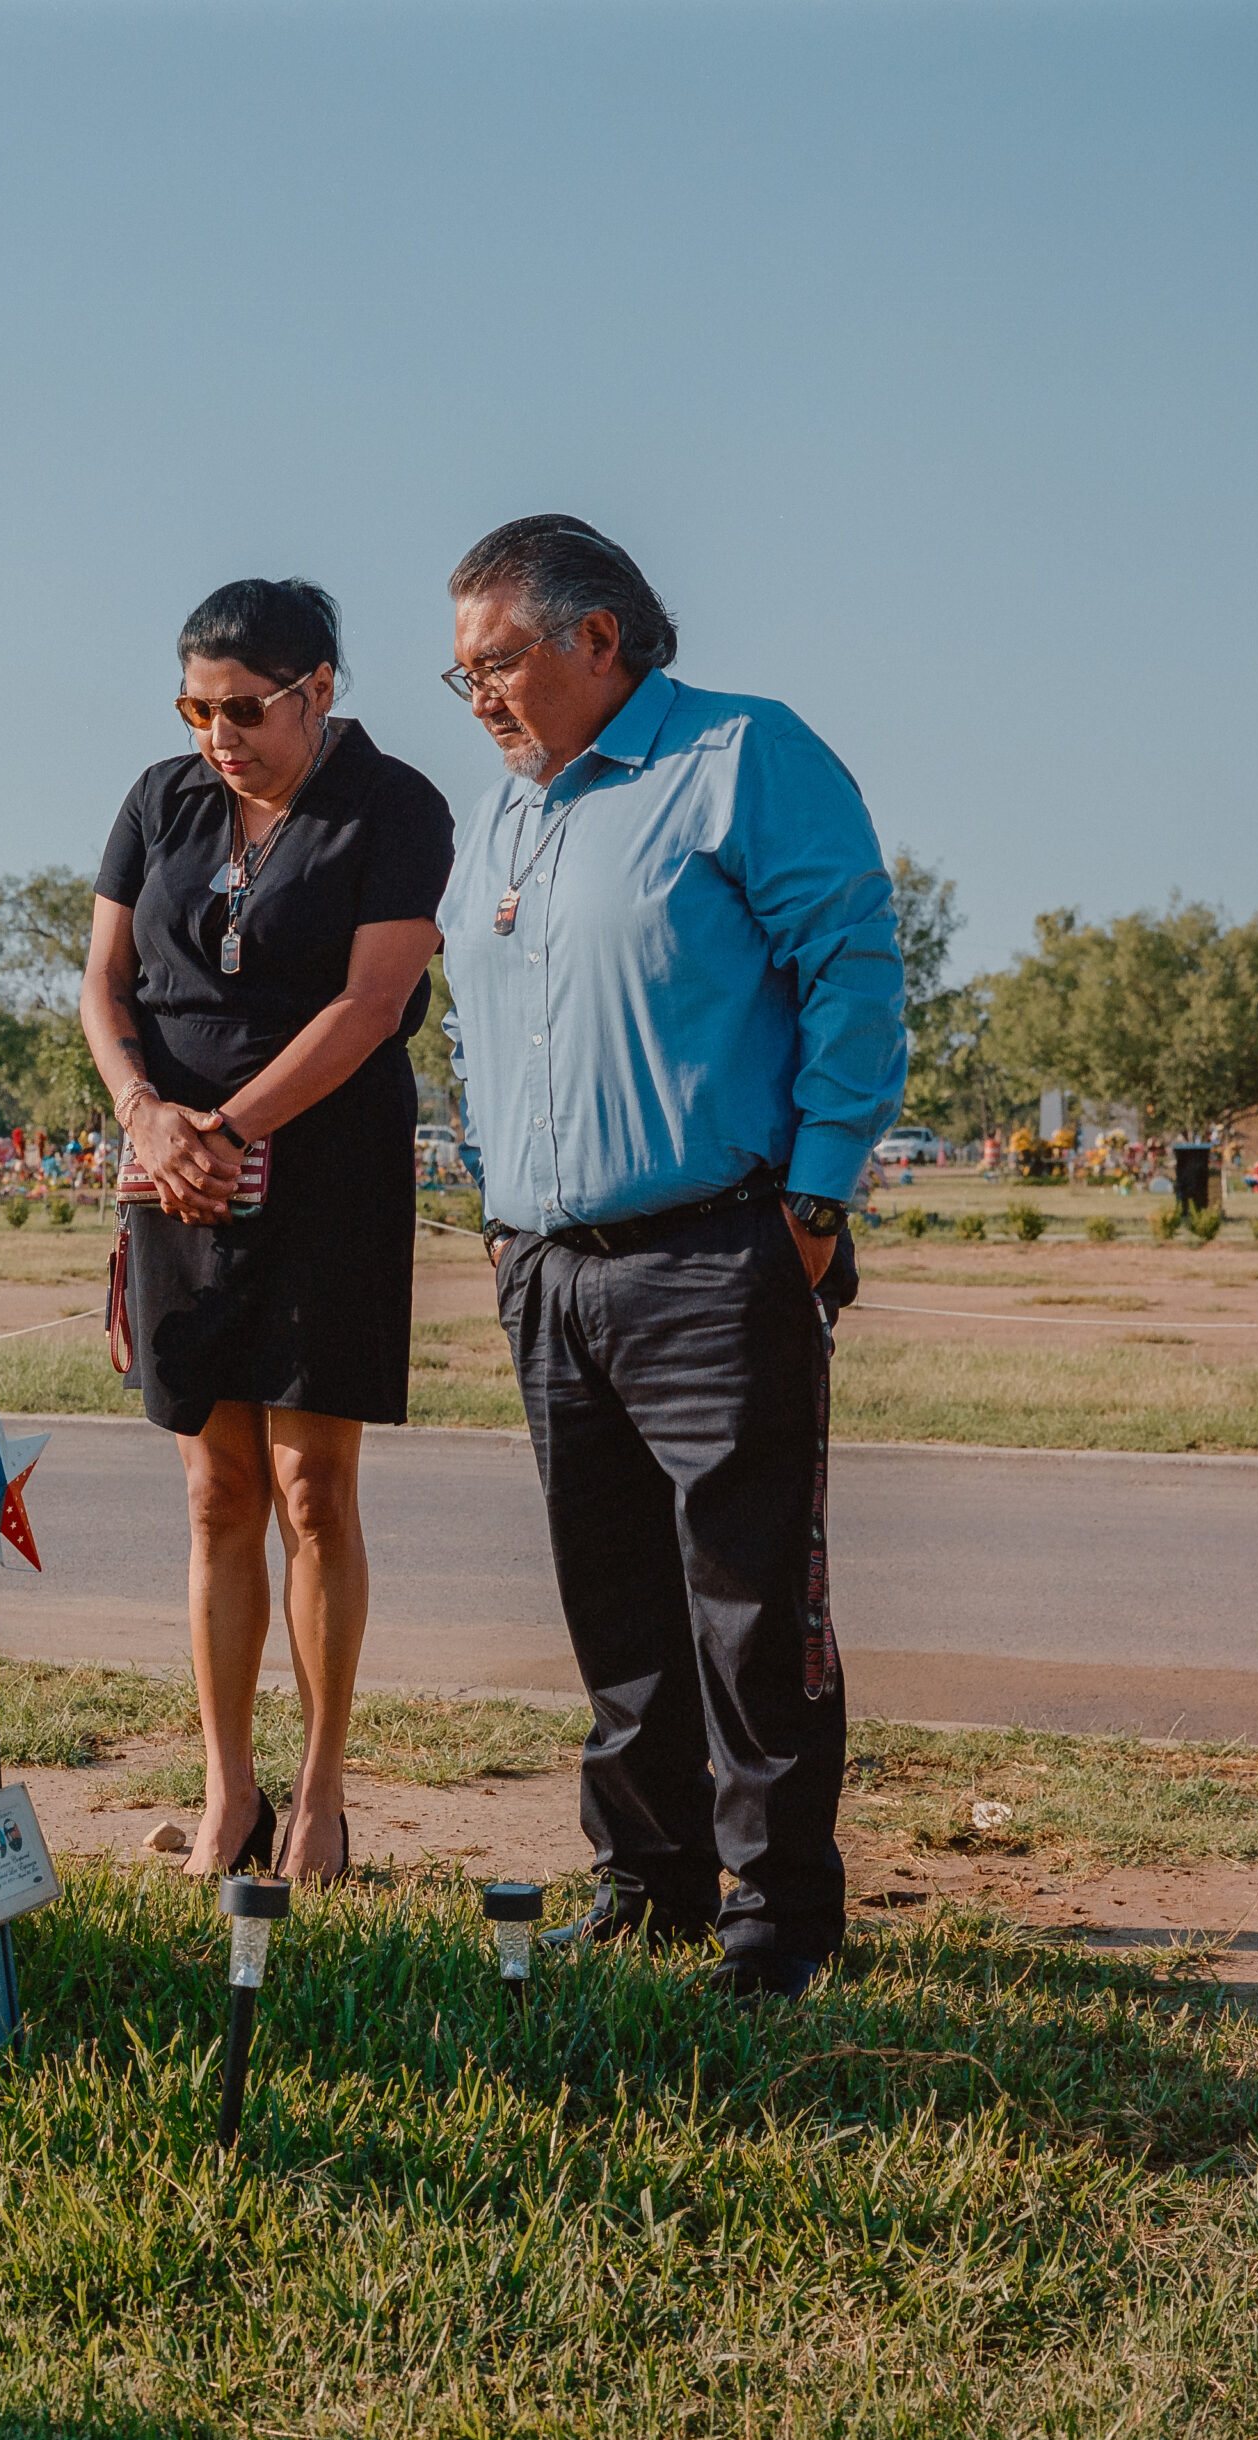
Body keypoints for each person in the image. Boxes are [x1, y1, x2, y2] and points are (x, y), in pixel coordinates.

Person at [436, 515, 906, 2000]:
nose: (483, 699)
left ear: (600, 638)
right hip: (550, 1267)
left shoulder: (740, 760)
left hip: (719, 1249)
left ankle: (779, 1920)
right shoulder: (512, 812)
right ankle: (652, 1881)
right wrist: (504, 1211)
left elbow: (852, 969)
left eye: (498, 664)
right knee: (613, 1597)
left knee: (751, 1601)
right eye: (462, 678)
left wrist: (814, 1202)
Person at [80, 577, 453, 1882]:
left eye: (244, 708)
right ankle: (227, 1793)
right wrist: (147, 1118)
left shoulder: (396, 807)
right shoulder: (158, 799)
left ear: (320, 690)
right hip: (171, 1174)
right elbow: (103, 982)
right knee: (216, 1488)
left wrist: (227, 1128)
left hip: (326, 1173)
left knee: (312, 1487)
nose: (216, 735)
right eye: (195, 706)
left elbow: (370, 1004)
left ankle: (319, 1801)